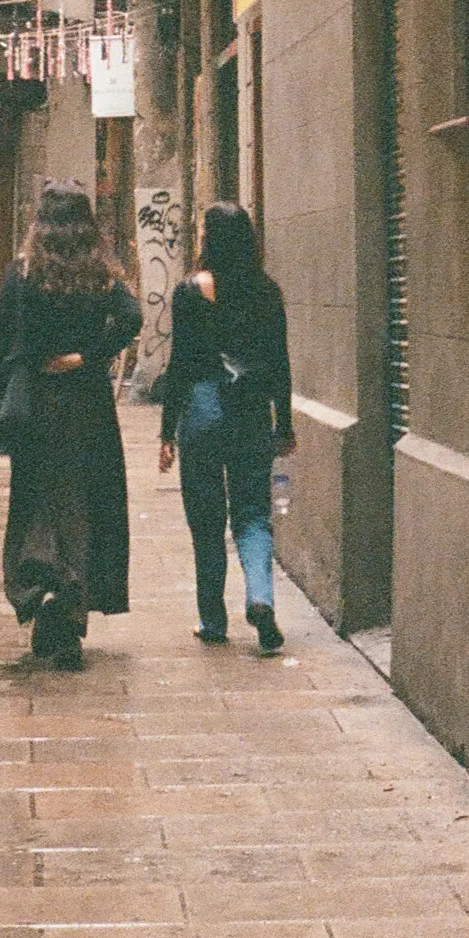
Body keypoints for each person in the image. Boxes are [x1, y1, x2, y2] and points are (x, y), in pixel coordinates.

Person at [0, 180, 145, 669]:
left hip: (38, 403)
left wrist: (33, 359)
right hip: (89, 403)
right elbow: (133, 318)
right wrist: (89, 356)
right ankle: (73, 608)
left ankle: (42, 583)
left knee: (38, 497)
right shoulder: (100, 276)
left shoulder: (23, 273)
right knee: (85, 500)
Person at [157, 201, 296, 653]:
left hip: (200, 412)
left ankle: (212, 621)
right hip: (251, 411)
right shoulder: (267, 291)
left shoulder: (188, 292)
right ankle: (260, 598)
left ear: (208, 240)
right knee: (253, 514)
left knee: (206, 521)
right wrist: (285, 422)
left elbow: (178, 366)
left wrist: (165, 433)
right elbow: (280, 363)